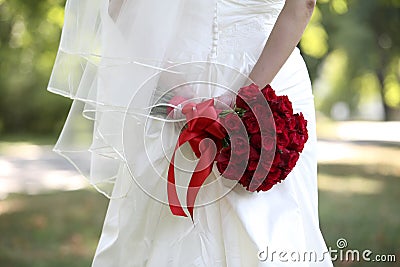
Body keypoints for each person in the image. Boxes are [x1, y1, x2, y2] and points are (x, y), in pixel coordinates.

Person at [48, 0, 333, 266]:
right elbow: (302, 6)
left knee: (159, 230)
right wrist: (247, 99)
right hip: (270, 70)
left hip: (180, 74)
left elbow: (119, 7)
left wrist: (181, 94)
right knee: (277, 226)